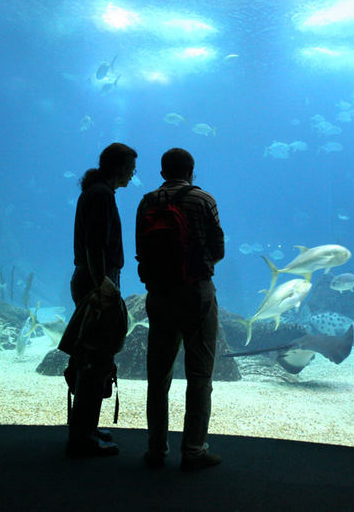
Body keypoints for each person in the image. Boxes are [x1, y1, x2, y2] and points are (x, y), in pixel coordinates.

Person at [136, 147, 225, 471]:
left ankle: (156, 449)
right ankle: (193, 450)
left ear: (162, 172)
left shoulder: (147, 202)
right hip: (196, 293)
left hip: (159, 294)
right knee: (199, 375)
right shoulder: (204, 200)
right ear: (191, 170)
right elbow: (219, 248)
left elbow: (140, 250)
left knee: (158, 376)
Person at [66, 142, 137, 457]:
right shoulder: (101, 195)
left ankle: (86, 428)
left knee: (92, 358)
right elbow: (95, 245)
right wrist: (102, 286)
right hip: (97, 281)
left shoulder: (95, 192)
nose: (133, 173)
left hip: (92, 279)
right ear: (117, 167)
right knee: (94, 361)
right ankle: (82, 437)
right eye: (130, 167)